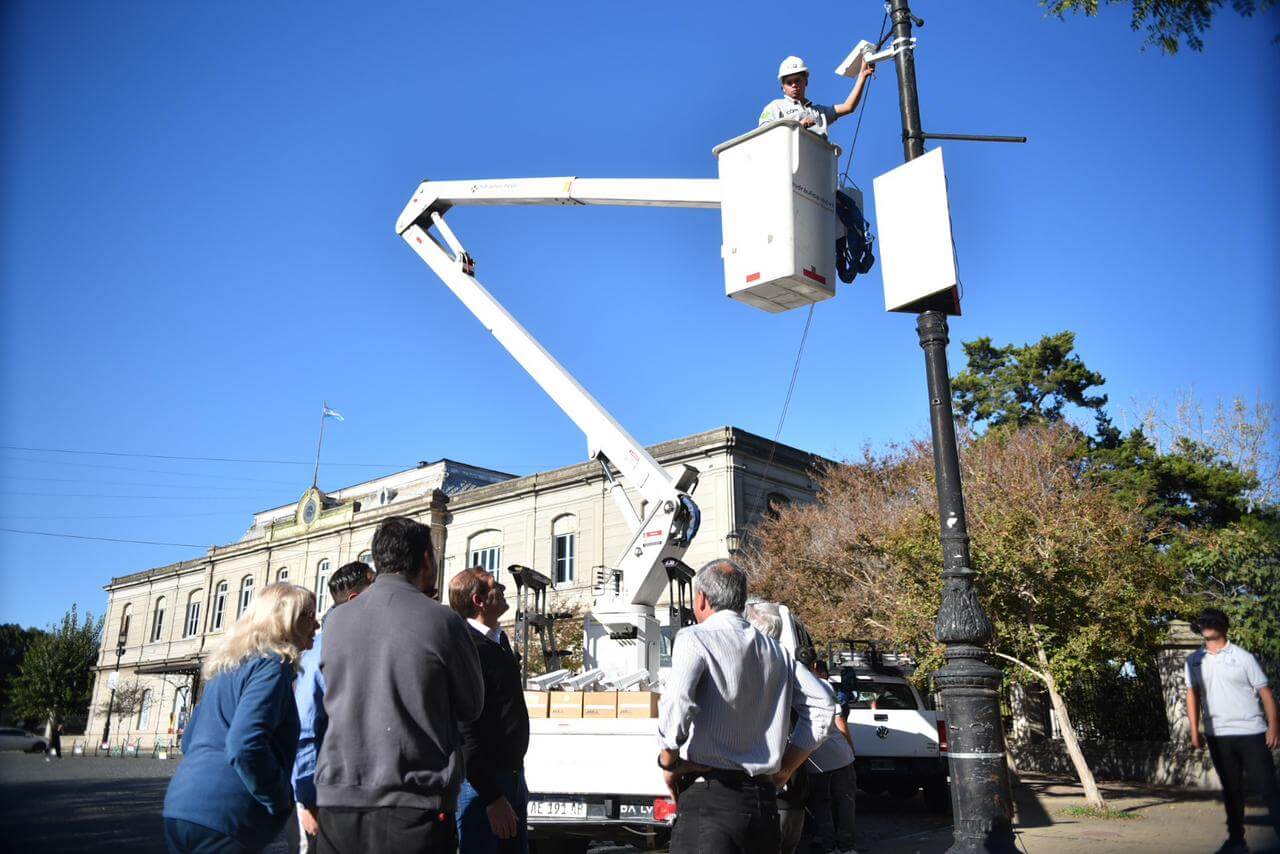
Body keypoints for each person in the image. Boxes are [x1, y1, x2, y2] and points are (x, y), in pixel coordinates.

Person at [315, 516, 484, 854]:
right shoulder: (443, 620)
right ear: (426, 559)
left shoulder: (336, 622)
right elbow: (472, 705)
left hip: (338, 803)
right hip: (413, 805)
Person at [658, 560, 836, 854]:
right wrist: (787, 768)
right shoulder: (776, 650)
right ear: (740, 600)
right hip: (763, 802)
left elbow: (678, 701)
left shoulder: (694, 638)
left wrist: (668, 758)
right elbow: (824, 705)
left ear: (701, 598)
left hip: (710, 800)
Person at [163, 583, 319, 853]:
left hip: (181, 806)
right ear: (285, 621)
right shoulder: (272, 665)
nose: (316, 623)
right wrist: (279, 798)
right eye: (309, 615)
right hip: (226, 814)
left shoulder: (228, 665)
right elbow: (245, 744)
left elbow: (188, 739)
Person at [288, 561, 374, 854]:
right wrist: (307, 799)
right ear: (355, 600)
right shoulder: (321, 649)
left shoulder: (365, 644)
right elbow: (303, 729)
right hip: (323, 799)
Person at [448, 566, 530, 854]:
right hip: (484, 788)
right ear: (478, 601)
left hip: (514, 778)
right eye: (496, 586)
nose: (505, 589)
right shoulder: (466, 647)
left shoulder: (499, 640)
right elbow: (464, 730)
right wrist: (492, 797)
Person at [1185, 607, 1280, 854]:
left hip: (1251, 732)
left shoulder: (1243, 657)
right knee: (1231, 788)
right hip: (1218, 736)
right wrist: (1194, 730)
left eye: (1212, 621)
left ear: (1224, 626)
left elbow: (1265, 693)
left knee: (1267, 787)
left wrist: (1274, 727)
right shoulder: (1194, 660)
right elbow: (1192, 695)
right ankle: (1236, 839)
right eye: (1203, 620)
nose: (1206, 624)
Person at [804, 658, 858, 854]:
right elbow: (840, 719)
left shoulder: (790, 687)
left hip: (812, 760)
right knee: (845, 802)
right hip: (840, 756)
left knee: (822, 805)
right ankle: (846, 846)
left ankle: (828, 846)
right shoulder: (824, 686)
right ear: (815, 667)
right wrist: (851, 748)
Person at [758, 55, 874, 139]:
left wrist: (862, 76)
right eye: (789, 82)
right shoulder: (776, 107)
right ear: (783, 87)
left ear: (806, 82)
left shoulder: (818, 112)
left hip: (816, 165)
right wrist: (798, 126)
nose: (794, 85)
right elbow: (764, 136)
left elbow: (848, 107)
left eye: (797, 80)